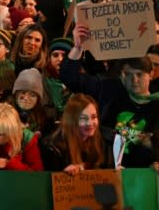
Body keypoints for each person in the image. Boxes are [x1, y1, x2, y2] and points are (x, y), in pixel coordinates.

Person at [61, 23, 159, 167]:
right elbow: (71, 78)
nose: (134, 80)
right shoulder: (108, 88)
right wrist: (78, 47)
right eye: (128, 74)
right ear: (121, 75)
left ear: (151, 74)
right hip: (105, 170)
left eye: (140, 74)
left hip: (143, 176)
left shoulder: (156, 104)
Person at [41, 93, 113, 173]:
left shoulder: (105, 141)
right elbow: (51, 181)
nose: (90, 123)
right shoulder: (54, 147)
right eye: (83, 118)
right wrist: (63, 174)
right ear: (72, 121)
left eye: (93, 117)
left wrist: (118, 172)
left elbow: (108, 170)